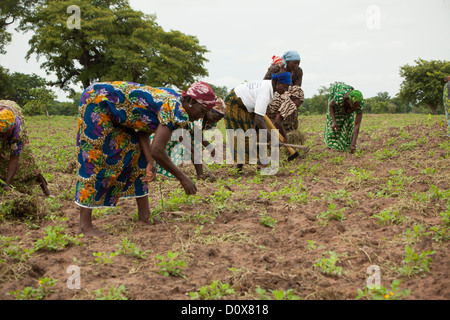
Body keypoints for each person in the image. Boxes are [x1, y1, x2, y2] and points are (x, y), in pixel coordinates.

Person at [75, 81, 217, 237]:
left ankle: (144, 217)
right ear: (190, 101)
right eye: (202, 111)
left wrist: (149, 161)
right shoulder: (175, 107)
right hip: (97, 101)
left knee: (137, 157)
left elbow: (143, 130)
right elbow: (157, 150)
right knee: (95, 158)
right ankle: (84, 226)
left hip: (119, 114)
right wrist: (183, 178)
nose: (200, 116)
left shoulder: (177, 102)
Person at [224, 72, 292, 171]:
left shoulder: (270, 89)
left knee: (260, 131)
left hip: (246, 105)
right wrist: (273, 139)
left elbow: (258, 117)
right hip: (234, 102)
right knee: (244, 134)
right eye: (285, 87)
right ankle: (242, 167)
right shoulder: (265, 92)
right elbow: (259, 120)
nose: (285, 90)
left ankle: (260, 163)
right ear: (277, 83)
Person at [150, 97, 226, 181]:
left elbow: (196, 134)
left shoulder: (205, 119)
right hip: (173, 132)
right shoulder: (197, 116)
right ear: (209, 111)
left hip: (185, 133)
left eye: (218, 119)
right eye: (215, 116)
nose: (215, 120)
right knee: (158, 153)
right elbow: (193, 134)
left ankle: (200, 175)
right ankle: (150, 172)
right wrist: (208, 147)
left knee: (196, 150)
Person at [0, 100, 50, 196]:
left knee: (27, 158)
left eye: (6, 134)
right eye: (2, 135)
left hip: (14, 113)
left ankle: (46, 191)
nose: (4, 138)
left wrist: (7, 183)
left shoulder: (17, 128)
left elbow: (15, 158)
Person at [264, 51, 303, 132]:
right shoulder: (275, 69)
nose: (296, 65)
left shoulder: (298, 71)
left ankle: (289, 133)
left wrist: (290, 95)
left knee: (291, 111)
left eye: (298, 63)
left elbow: (297, 87)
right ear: (287, 62)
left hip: (290, 96)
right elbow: (266, 83)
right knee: (274, 118)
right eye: (294, 63)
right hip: (274, 96)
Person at [324, 82, 364, 154]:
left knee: (349, 122)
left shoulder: (360, 103)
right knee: (336, 124)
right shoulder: (339, 97)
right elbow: (331, 105)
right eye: (355, 106)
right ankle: (332, 145)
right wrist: (334, 121)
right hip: (335, 98)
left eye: (358, 106)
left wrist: (353, 144)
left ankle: (348, 144)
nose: (356, 108)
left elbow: (357, 125)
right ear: (349, 101)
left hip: (347, 103)